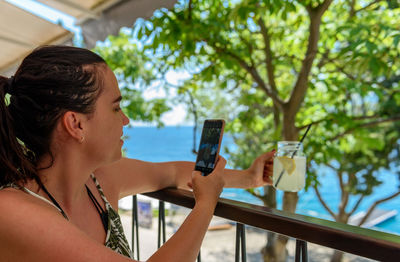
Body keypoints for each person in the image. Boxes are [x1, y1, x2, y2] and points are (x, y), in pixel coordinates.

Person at [0, 45, 275, 262]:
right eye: (116, 107)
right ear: (76, 124)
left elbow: (175, 173)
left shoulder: (99, 179)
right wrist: (205, 206)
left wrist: (250, 177)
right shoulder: (13, 211)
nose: (126, 120)